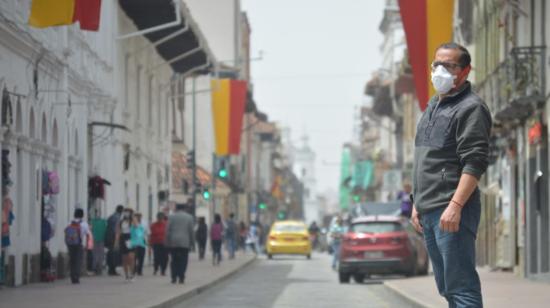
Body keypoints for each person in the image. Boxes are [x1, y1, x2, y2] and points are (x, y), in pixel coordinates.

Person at [411, 42, 491, 308]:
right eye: (436, 64)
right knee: (447, 286)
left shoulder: (471, 108)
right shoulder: (433, 106)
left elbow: (475, 161)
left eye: (449, 65)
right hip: (429, 210)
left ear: (465, 72)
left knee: (461, 286)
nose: (439, 70)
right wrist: (416, 203)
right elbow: (426, 160)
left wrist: (456, 205)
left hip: (451, 209)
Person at [165, 203, 194, 284]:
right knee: (184, 260)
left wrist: (166, 242)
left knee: (174, 260)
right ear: (184, 208)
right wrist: (192, 243)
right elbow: (191, 231)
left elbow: (167, 230)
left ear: (176, 208)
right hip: (185, 242)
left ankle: (174, 277)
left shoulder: (171, 217)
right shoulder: (189, 217)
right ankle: (181, 276)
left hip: (173, 242)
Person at [64, 208, 90, 284]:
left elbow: (66, 232)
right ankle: (76, 277)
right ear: (82, 215)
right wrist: (87, 245)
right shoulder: (84, 224)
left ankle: (72, 276)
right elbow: (88, 234)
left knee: (72, 260)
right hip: (78, 244)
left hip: (70, 244)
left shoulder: (70, 222)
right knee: (78, 260)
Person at [115, 208, 136, 282]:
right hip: (123, 238)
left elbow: (136, 226)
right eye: (125, 212)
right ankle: (126, 275)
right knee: (124, 259)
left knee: (131, 257)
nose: (127, 213)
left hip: (130, 239)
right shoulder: (121, 222)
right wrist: (116, 242)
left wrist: (132, 217)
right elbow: (118, 232)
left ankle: (132, 274)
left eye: (128, 212)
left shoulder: (132, 221)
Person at [105, 205, 123, 276]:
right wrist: (117, 239)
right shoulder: (117, 218)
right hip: (114, 237)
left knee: (110, 253)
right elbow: (116, 230)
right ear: (121, 211)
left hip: (108, 237)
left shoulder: (111, 216)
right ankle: (112, 270)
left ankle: (110, 268)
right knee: (114, 253)